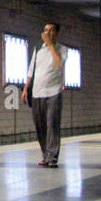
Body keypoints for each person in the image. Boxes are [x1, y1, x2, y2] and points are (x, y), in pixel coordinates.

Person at [22, 22, 67, 168]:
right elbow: (31, 71)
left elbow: (59, 63)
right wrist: (25, 88)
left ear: (57, 33)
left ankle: (52, 157)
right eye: (46, 30)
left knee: (52, 125)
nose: (47, 33)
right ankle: (45, 154)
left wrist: (51, 45)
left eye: (51, 30)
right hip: (37, 92)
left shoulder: (62, 49)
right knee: (40, 126)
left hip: (54, 92)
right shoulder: (37, 49)